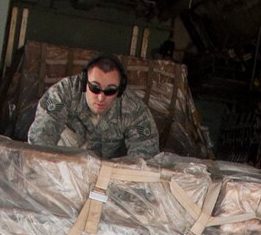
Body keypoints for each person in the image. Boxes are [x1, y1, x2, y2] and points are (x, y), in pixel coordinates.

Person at [26, 53, 160, 161]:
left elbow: (145, 157)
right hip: (63, 171)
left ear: (120, 90)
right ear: (84, 82)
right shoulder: (63, 93)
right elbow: (41, 139)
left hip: (109, 178)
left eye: (110, 91)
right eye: (95, 88)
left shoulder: (134, 109)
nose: (101, 97)